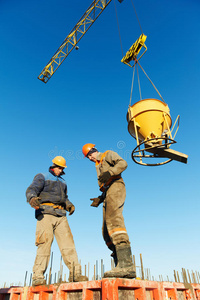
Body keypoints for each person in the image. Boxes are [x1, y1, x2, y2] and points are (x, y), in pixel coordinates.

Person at [26, 156, 88, 286]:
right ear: (53, 166)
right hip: (45, 213)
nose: (60, 170)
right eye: (59, 168)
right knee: (44, 243)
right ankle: (38, 276)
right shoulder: (42, 176)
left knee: (68, 244)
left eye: (62, 168)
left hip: (61, 215)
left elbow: (64, 198)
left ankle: (75, 274)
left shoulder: (63, 182)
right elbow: (32, 190)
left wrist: (69, 205)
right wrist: (32, 198)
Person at [82, 143, 136, 279]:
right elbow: (105, 183)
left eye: (89, 155)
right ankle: (119, 263)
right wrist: (100, 198)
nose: (89, 159)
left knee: (114, 220)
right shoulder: (97, 165)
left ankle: (126, 265)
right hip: (107, 192)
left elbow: (123, 163)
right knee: (106, 230)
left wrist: (110, 172)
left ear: (93, 151)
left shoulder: (107, 154)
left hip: (116, 186)